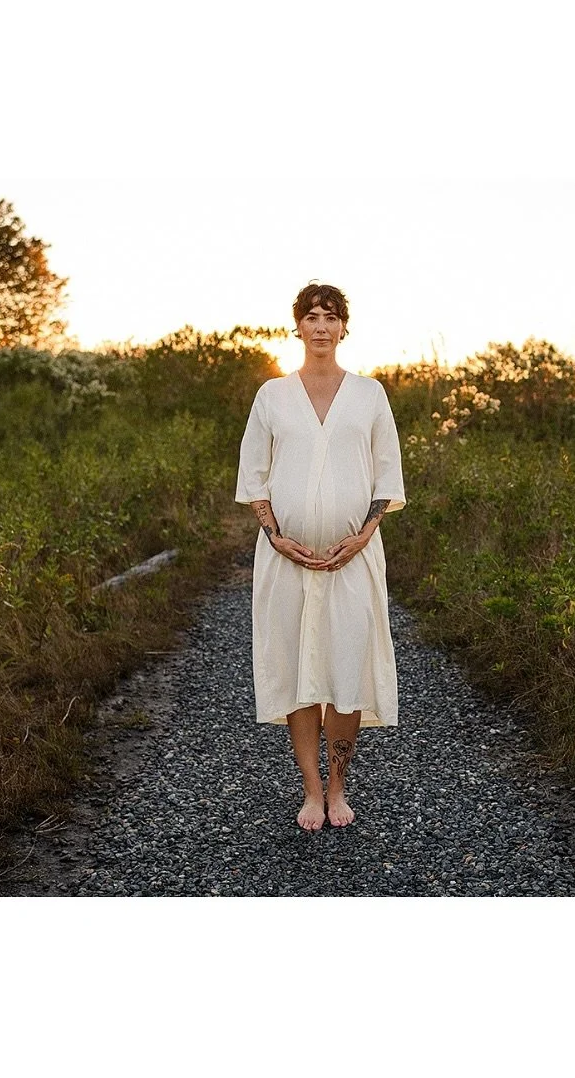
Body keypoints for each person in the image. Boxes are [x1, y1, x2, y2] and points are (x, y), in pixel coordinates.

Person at [235, 282, 406, 831]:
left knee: (347, 672)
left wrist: (364, 533)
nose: (321, 327)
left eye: (331, 317)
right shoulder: (272, 396)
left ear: (344, 327)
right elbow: (254, 478)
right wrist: (275, 535)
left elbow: (387, 475)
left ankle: (339, 786)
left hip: (352, 560)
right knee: (297, 670)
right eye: (311, 317)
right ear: (297, 327)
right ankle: (311, 791)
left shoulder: (370, 394)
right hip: (286, 560)